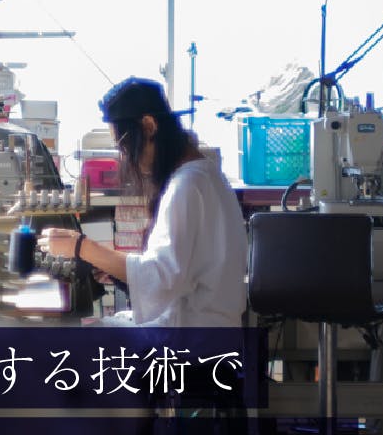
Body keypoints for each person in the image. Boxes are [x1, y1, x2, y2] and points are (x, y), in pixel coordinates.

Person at [40, 77, 247, 328]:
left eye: (126, 148)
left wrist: (81, 247)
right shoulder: (206, 175)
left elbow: (161, 278)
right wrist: (116, 270)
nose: (127, 158)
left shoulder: (187, 185)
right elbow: (177, 270)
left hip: (190, 337)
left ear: (148, 126)